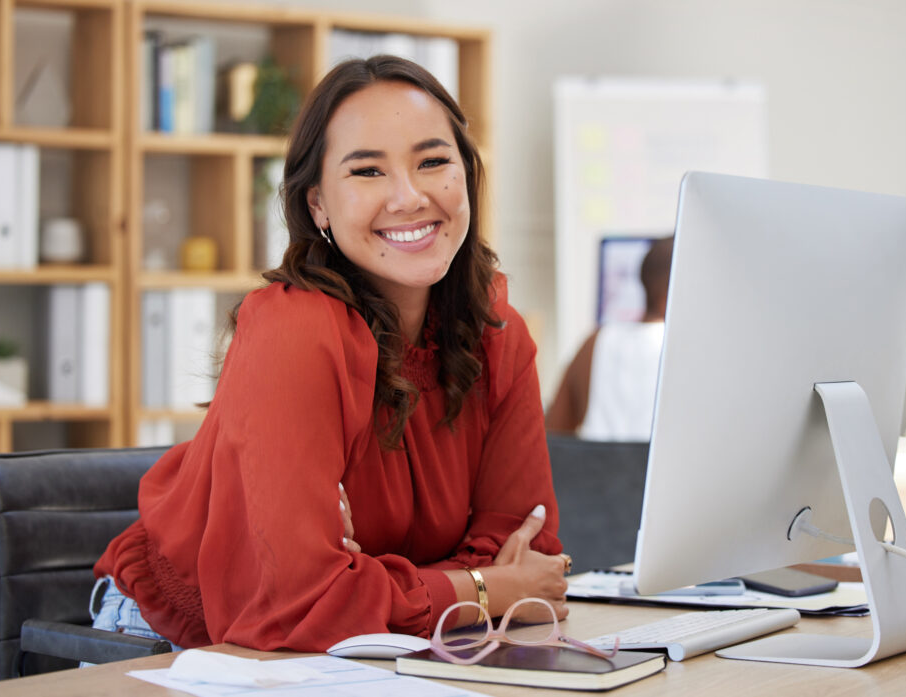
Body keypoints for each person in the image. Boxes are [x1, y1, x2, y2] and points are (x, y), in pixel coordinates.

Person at [91, 56, 570, 653]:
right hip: (184, 642)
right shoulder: (294, 329)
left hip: (383, 645)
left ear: (466, 176)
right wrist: (481, 588)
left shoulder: (498, 335)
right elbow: (294, 609)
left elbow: (530, 562)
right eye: (367, 171)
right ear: (318, 205)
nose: (408, 196)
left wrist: (379, 583)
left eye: (433, 161)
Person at [545, 236, 673, 440]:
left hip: (594, 470)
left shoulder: (595, 342)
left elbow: (552, 436)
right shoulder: (684, 351)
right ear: (667, 297)